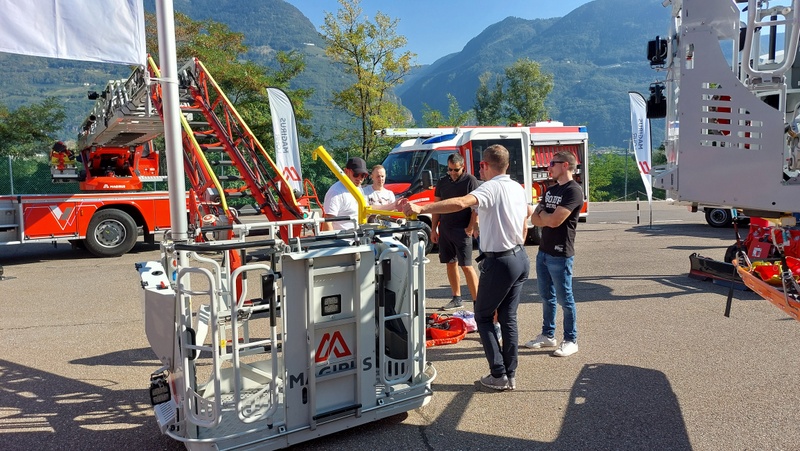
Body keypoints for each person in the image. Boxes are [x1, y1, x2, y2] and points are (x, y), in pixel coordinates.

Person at [400, 144, 532, 391]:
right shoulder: (516, 187)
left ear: (484, 165)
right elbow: (525, 219)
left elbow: (461, 202)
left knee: (483, 316)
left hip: (501, 260)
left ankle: (499, 374)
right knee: (507, 317)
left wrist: (422, 208)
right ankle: (509, 373)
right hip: (519, 257)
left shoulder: (490, 187)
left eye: (480, 165)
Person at [524, 151, 584, 357]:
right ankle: (548, 335)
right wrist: (545, 217)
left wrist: (545, 217)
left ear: (565, 165)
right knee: (546, 296)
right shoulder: (550, 190)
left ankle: (571, 339)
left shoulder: (574, 191)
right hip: (543, 252)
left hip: (561, 253)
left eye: (552, 163)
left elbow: (554, 221)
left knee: (565, 298)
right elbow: (534, 219)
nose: (548, 167)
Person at [432, 153, 479, 310]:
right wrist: (434, 229)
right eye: (450, 170)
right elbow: (436, 207)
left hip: (462, 230)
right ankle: (456, 297)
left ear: (462, 167)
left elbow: (476, 207)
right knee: (450, 263)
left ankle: (477, 301)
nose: (452, 173)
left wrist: (471, 226)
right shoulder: (442, 182)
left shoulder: (470, 181)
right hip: (445, 228)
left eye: (455, 170)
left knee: (466, 266)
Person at [321, 156, 369, 231]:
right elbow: (328, 222)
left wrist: (392, 206)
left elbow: (367, 210)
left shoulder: (358, 189)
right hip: (344, 239)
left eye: (363, 175)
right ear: (346, 171)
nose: (359, 178)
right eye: (356, 174)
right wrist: (333, 242)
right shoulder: (336, 192)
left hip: (359, 236)